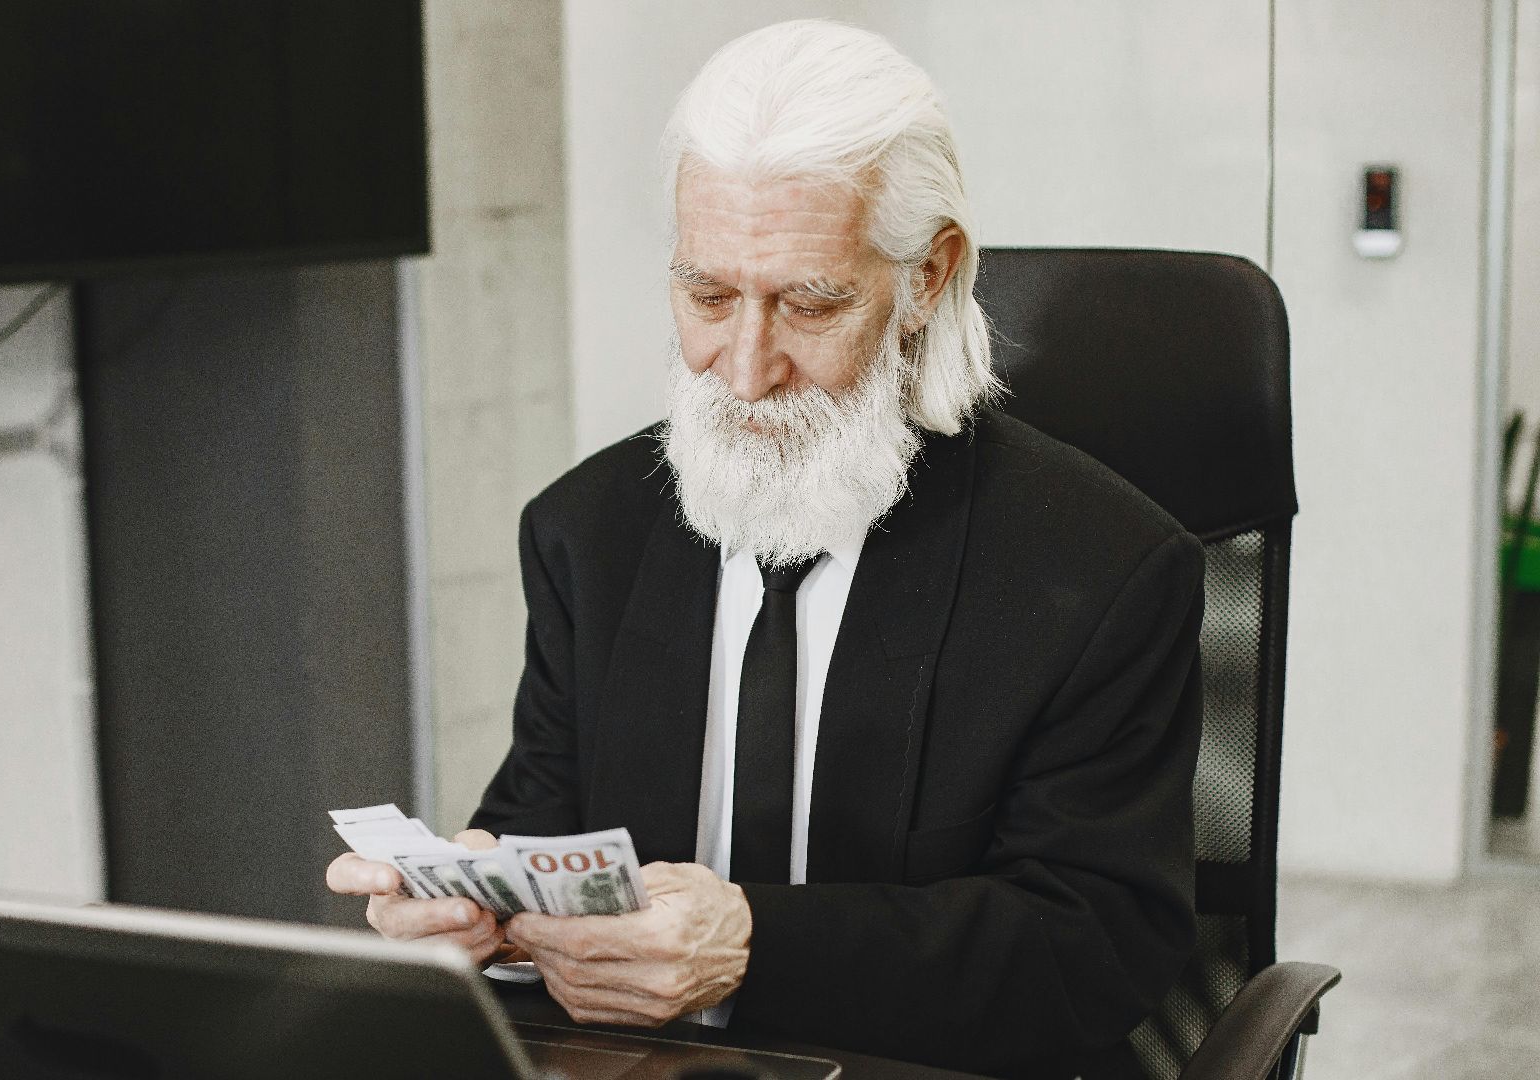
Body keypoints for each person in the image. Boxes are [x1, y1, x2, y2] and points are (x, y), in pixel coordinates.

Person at [328, 19, 1202, 1079]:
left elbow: (1093, 951)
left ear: (928, 277)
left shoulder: (1104, 571)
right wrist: (481, 904)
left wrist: (751, 949)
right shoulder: (584, 533)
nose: (743, 371)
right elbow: (540, 818)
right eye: (706, 296)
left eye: (809, 302)